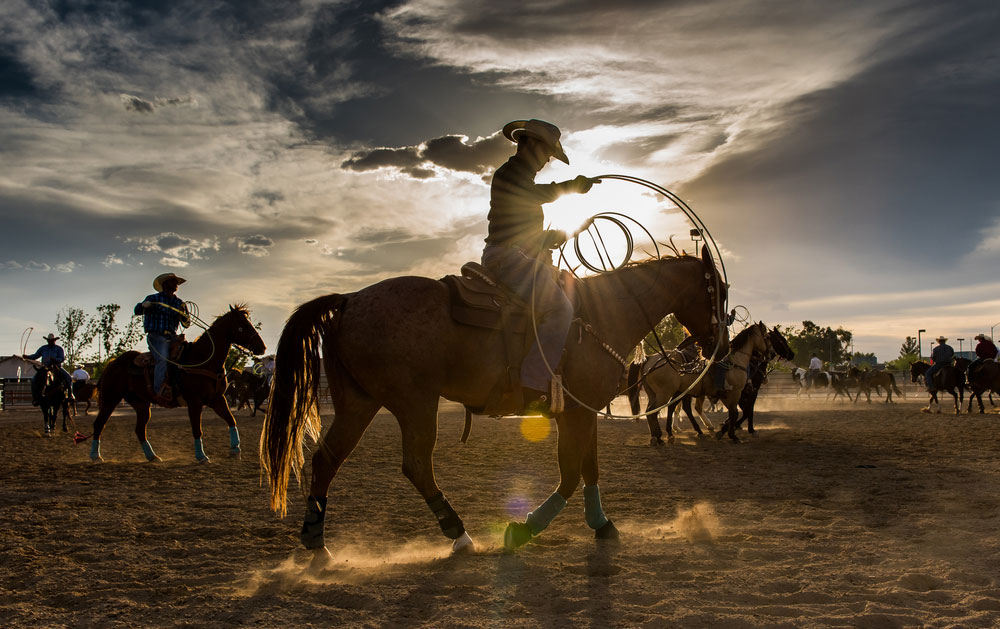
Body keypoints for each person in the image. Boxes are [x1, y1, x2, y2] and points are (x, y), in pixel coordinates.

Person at [481, 119, 600, 415]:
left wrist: (566, 233)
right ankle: (533, 386)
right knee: (561, 309)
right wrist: (572, 187)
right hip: (507, 257)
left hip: (515, 254)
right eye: (547, 152)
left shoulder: (519, 179)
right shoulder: (510, 174)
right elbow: (530, 197)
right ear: (532, 144)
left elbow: (527, 232)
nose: (548, 160)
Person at [135, 273, 190, 405]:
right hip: (156, 336)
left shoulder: (179, 303)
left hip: (173, 336)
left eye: (176, 282)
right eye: (173, 281)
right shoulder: (153, 298)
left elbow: (186, 323)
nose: (176, 284)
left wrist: (184, 316)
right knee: (163, 359)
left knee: (187, 356)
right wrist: (143, 306)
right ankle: (158, 390)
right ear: (165, 284)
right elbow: (137, 310)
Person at [23, 333, 74, 405]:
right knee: (34, 380)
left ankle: (70, 395)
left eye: (51, 340)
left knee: (68, 377)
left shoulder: (59, 349)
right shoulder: (43, 348)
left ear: (54, 340)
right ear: (47, 341)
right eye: (49, 340)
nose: (50, 342)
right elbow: (35, 356)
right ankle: (36, 398)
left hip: (56, 367)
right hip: (45, 367)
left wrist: (55, 359)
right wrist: (27, 356)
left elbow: (62, 358)